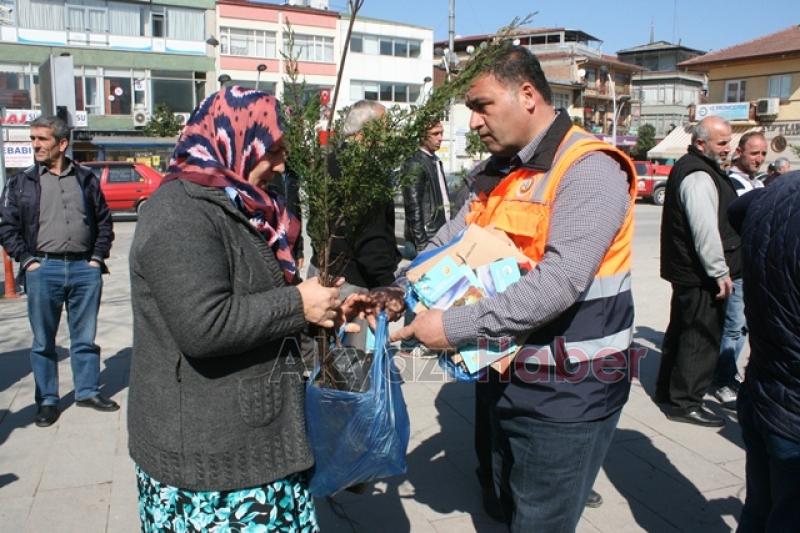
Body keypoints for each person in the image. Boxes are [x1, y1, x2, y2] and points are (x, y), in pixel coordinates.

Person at [391, 45, 637, 532]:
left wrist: (452, 326)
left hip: (567, 394)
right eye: (470, 111)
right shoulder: (499, 170)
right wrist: (395, 293)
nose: (475, 123)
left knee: (539, 520)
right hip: (506, 379)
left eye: (482, 106)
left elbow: (559, 282)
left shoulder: (587, 167)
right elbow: (448, 243)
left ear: (527, 95)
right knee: (504, 503)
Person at [127, 86, 358, 531]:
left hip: (259, 446)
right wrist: (298, 304)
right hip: (212, 464)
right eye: (271, 151)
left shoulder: (247, 207)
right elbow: (204, 326)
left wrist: (332, 307)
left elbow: (264, 302)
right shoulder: (179, 212)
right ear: (232, 138)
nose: (281, 164)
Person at [0, 115, 116, 428]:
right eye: (33, 139)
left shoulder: (85, 178)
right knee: (43, 342)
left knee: (85, 337)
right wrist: (28, 262)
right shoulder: (21, 181)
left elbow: (104, 221)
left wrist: (96, 258)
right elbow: (7, 227)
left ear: (62, 144)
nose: (35, 145)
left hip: (84, 270)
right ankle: (48, 400)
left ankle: (88, 391)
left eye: (42, 139)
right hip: (42, 269)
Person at [727, 171, 800, 532]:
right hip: (790, 410)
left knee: (760, 507)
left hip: (764, 386)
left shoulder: (778, 190)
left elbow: (737, 212)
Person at [656, 115, 739, 427]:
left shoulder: (696, 167)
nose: (728, 148)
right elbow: (705, 230)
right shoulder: (699, 175)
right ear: (701, 143)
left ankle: (669, 393)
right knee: (699, 338)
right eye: (722, 143)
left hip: (689, 272)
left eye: (729, 141)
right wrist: (719, 272)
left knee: (681, 331)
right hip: (700, 276)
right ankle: (686, 403)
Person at [308, 99, 400, 290]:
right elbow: (370, 235)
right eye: (385, 128)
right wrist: (387, 283)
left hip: (321, 269)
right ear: (366, 130)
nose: (389, 135)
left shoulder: (325, 162)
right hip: (351, 281)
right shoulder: (365, 170)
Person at [712, 132, 767, 409]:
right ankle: (723, 381)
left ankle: (730, 374)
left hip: (754, 265)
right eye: (754, 153)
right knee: (734, 327)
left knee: (744, 326)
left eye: (763, 154)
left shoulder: (756, 182)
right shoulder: (732, 183)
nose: (759, 159)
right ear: (740, 152)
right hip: (737, 266)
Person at [398, 121, 450, 357]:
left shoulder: (432, 160)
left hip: (437, 234)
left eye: (441, 133)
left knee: (432, 287)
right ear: (422, 135)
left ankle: (424, 337)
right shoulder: (416, 163)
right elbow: (413, 207)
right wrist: (421, 244)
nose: (441, 138)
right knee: (420, 288)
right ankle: (408, 343)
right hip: (426, 238)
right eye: (436, 134)